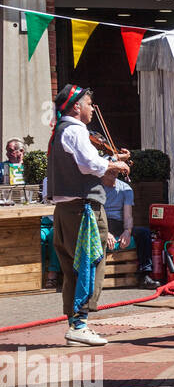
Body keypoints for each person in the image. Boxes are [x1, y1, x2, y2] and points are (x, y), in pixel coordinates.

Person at [47, 85, 130, 347]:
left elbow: (87, 161)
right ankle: (80, 325)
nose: (92, 109)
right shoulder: (74, 129)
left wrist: (111, 158)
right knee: (90, 262)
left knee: (74, 265)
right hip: (84, 209)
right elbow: (90, 164)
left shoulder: (61, 130)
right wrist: (115, 164)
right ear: (76, 106)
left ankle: (76, 323)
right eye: (89, 104)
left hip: (66, 209)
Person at [101, 170, 152, 277]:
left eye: (115, 170)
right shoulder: (95, 187)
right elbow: (94, 214)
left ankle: (145, 274)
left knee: (144, 233)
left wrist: (127, 231)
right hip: (101, 224)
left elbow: (128, 215)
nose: (113, 173)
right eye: (110, 170)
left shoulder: (125, 189)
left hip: (119, 224)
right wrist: (105, 232)